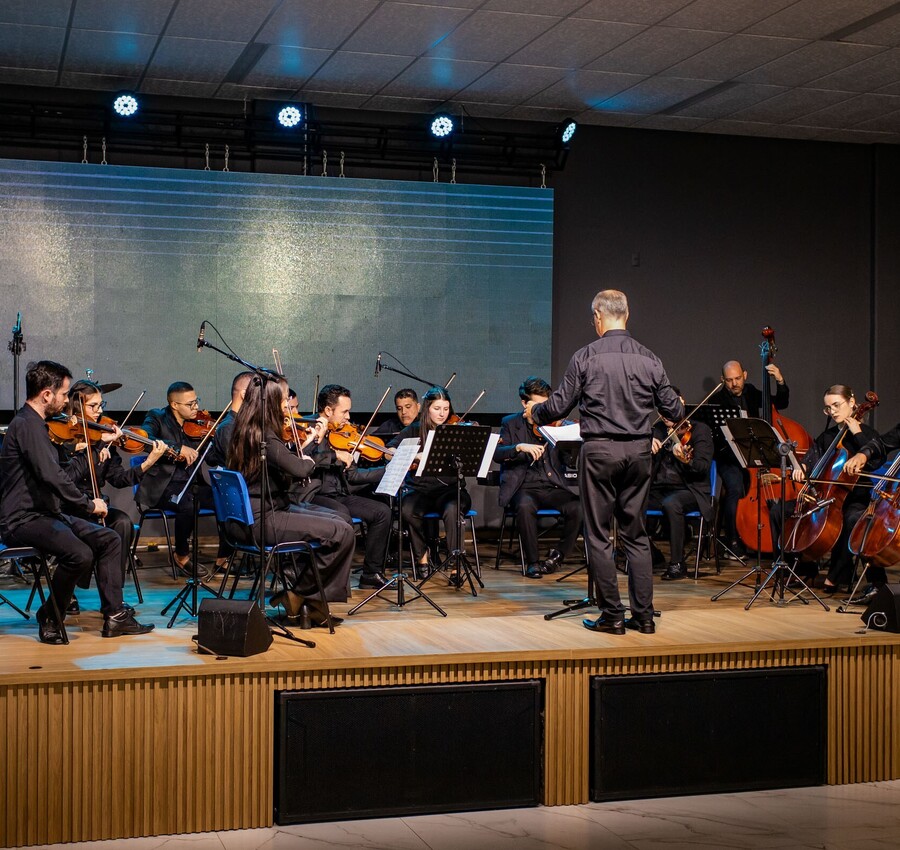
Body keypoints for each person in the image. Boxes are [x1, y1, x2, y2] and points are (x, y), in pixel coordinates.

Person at [524, 290, 683, 635]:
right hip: (640, 453)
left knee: (598, 535)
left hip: (599, 452)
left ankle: (612, 616)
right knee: (636, 535)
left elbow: (558, 407)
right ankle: (643, 616)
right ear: (627, 315)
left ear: (598, 316)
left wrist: (535, 413)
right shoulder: (649, 358)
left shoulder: (585, 356)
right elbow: (675, 410)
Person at [0, 361, 154, 643]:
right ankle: (50, 614)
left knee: (109, 539)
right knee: (79, 554)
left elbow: (54, 478)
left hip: (47, 514)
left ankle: (115, 615)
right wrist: (88, 505)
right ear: (47, 395)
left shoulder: (36, 424)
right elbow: (54, 477)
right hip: (22, 519)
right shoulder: (27, 426)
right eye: (63, 394)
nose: (65, 400)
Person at [226, 377, 354, 627]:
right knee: (342, 531)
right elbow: (300, 469)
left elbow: (285, 466)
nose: (287, 405)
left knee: (339, 520)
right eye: (284, 399)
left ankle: (303, 598)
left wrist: (306, 446)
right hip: (262, 518)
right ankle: (304, 597)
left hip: (261, 511)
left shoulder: (247, 429)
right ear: (271, 401)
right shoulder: (265, 437)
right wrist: (312, 455)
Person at [59, 380, 169, 612]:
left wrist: (149, 462)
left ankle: (112, 597)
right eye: (94, 406)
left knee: (122, 522)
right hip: (68, 508)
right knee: (94, 530)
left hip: (96, 507)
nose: (100, 411)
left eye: (101, 405)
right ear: (78, 407)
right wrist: (96, 448)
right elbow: (65, 478)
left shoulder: (103, 436)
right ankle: (66, 591)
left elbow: (120, 480)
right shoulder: (63, 439)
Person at [494, 377, 582, 579]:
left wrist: (570, 444)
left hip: (551, 486)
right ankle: (532, 562)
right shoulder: (510, 423)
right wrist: (518, 447)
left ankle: (557, 556)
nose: (543, 411)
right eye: (537, 405)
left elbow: (568, 460)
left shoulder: (555, 424)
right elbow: (497, 453)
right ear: (524, 403)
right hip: (523, 487)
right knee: (525, 506)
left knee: (578, 507)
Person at [308, 384, 391, 589]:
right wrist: (333, 455)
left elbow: (353, 476)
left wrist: (388, 470)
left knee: (382, 512)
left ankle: (371, 573)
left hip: (339, 494)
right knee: (342, 514)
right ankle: (330, 578)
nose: (348, 417)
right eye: (344, 411)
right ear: (328, 410)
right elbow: (305, 458)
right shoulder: (308, 428)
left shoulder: (344, 435)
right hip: (313, 494)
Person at [708, 359, 790, 557]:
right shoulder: (717, 400)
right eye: (729, 380)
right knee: (735, 490)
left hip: (754, 455)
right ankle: (733, 541)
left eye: (737, 378)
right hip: (730, 457)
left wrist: (779, 380)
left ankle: (774, 538)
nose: (734, 383)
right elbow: (716, 438)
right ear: (722, 380)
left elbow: (781, 403)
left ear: (745, 375)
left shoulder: (752, 391)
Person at [389, 386, 473, 576]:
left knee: (453, 509)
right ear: (427, 408)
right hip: (420, 490)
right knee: (407, 509)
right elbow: (389, 451)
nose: (442, 414)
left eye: (446, 409)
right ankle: (422, 557)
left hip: (451, 490)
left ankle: (455, 564)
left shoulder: (455, 429)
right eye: (437, 409)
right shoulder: (414, 429)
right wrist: (412, 455)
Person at [136, 381, 216, 576]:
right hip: (164, 488)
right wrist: (178, 448)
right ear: (174, 405)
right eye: (190, 404)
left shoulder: (198, 424)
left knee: (225, 499)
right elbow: (145, 438)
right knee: (187, 502)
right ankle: (181, 555)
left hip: (193, 484)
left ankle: (223, 558)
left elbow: (212, 458)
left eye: (196, 402)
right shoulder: (157, 417)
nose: (196, 407)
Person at [648, 392, 714, 581]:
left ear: (681, 403)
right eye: (662, 412)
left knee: (672, 504)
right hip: (659, 489)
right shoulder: (656, 430)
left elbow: (702, 467)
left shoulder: (700, 430)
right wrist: (646, 446)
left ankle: (677, 564)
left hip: (690, 490)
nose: (666, 417)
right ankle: (652, 554)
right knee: (628, 501)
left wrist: (686, 460)